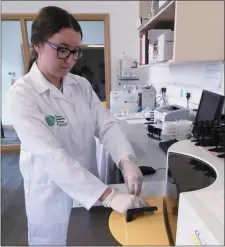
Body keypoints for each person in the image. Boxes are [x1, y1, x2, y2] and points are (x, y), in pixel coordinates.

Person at [7, 6, 148, 246]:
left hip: (87, 191)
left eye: (75, 52)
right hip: (51, 195)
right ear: (38, 45)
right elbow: (51, 156)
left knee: (85, 238)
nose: (70, 59)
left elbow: (106, 125)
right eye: (62, 50)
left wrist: (127, 161)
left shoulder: (80, 85)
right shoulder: (22, 95)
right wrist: (109, 195)